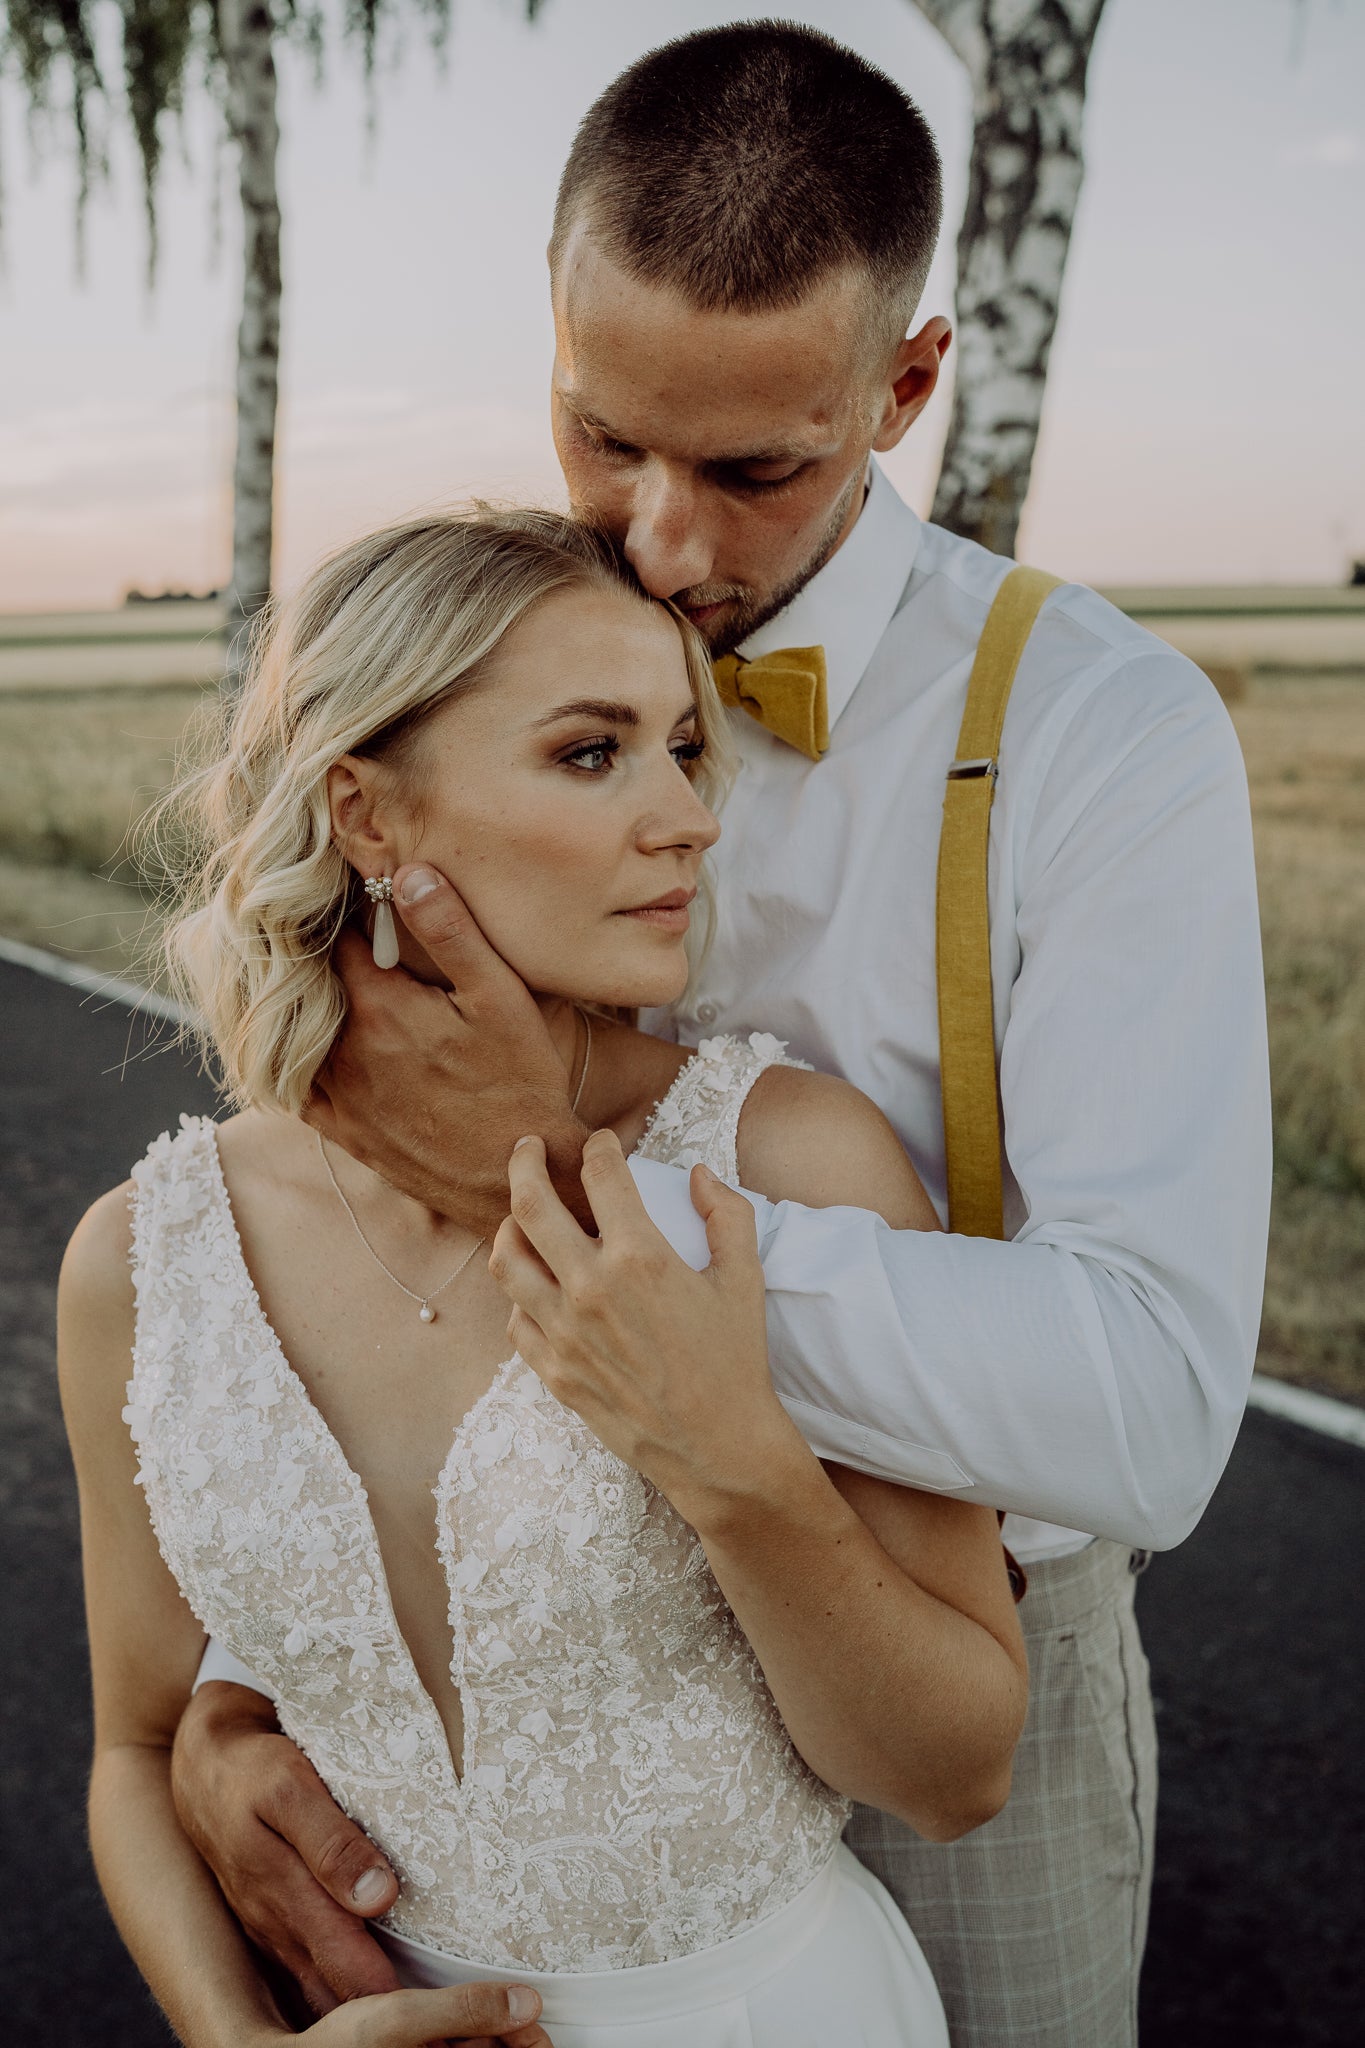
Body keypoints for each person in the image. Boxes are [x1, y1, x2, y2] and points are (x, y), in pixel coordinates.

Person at [169, 22, 1271, 2046]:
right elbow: (331, 1215)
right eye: (604, 436)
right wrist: (241, 1682)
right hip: (506, 1671)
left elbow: (1148, 1405)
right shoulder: (479, 643)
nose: (660, 541)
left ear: (904, 384)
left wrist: (593, 1212)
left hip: (957, 1674)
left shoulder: (1099, 735)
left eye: (753, 466)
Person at [58, 508, 1030, 2048]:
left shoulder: (788, 1166)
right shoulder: (143, 1259)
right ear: (368, 817)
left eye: (682, 750)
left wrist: (725, 1457)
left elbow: (953, 1771)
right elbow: (136, 1747)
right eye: (593, 753)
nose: (691, 818)